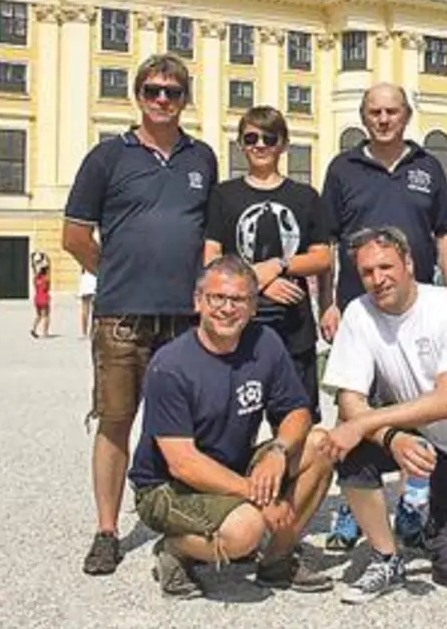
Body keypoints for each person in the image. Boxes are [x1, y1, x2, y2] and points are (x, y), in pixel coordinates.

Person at [62, 53, 219, 576]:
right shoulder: (108, 157)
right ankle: (107, 531)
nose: (161, 100)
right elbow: (75, 236)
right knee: (115, 422)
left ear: (185, 99)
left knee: (182, 426)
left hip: (183, 319)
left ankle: (179, 518)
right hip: (122, 317)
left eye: (172, 92)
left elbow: (206, 237)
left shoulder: (203, 159)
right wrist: (114, 275)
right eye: (152, 91)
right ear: (138, 96)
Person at [127, 256, 337, 599]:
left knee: (320, 444)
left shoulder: (265, 342)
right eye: (217, 298)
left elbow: (297, 412)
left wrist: (279, 453)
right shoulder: (171, 365)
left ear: (253, 306)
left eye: (238, 300)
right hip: (168, 486)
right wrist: (257, 495)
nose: (227, 308)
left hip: (229, 466)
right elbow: (183, 462)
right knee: (245, 530)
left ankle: (277, 561)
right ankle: (176, 549)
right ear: (198, 302)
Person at [319, 226, 447, 603]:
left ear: (409, 263)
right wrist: (390, 438)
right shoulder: (358, 312)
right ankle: (387, 558)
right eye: (367, 272)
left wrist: (367, 423)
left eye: (386, 266)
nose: (378, 279)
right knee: (344, 448)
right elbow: (350, 398)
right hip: (413, 435)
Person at [204, 106, 334, 411]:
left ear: (284, 144)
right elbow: (212, 258)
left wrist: (277, 266)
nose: (260, 145)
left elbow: (323, 257)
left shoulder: (305, 196)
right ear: (240, 144)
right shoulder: (223, 195)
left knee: (295, 419)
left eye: (269, 137)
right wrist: (257, 284)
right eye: (251, 138)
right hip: (235, 326)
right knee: (231, 424)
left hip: (294, 328)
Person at [318, 82, 447, 344]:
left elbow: (446, 235)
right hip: (358, 306)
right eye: (375, 113)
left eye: (392, 112)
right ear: (363, 118)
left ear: (406, 116)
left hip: (418, 305)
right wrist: (328, 304)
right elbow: (327, 239)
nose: (383, 120)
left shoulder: (429, 166)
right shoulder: (342, 169)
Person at [30, 260, 52, 338]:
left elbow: (34, 272)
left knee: (38, 315)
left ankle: (33, 329)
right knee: (46, 316)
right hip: (44, 298)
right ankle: (45, 332)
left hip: (37, 298)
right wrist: (48, 262)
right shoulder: (46, 279)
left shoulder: (36, 278)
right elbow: (48, 286)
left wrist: (36, 266)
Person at [78, 268, 97, 338]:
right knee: (95, 310)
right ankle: (92, 331)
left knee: (84, 310)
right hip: (94, 281)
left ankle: (84, 332)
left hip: (85, 282)